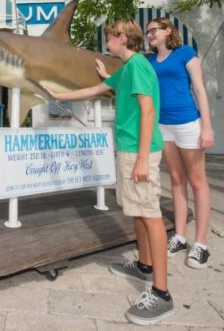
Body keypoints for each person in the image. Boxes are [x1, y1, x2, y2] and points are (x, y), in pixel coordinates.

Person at [47, 19, 173, 326]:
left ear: (122, 38)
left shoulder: (139, 66)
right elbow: (96, 88)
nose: (107, 42)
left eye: (110, 37)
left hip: (139, 151)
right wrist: (59, 94)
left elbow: (148, 111)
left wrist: (142, 159)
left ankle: (162, 294)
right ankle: (144, 265)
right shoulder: (126, 69)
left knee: (150, 214)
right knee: (137, 211)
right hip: (128, 148)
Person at [144, 17, 214, 269]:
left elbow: (200, 89)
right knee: (176, 179)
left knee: (197, 181)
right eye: (148, 31)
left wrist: (206, 126)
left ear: (167, 31)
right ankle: (180, 237)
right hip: (163, 125)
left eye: (154, 30)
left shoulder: (185, 53)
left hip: (187, 123)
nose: (150, 34)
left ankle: (201, 244)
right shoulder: (150, 61)